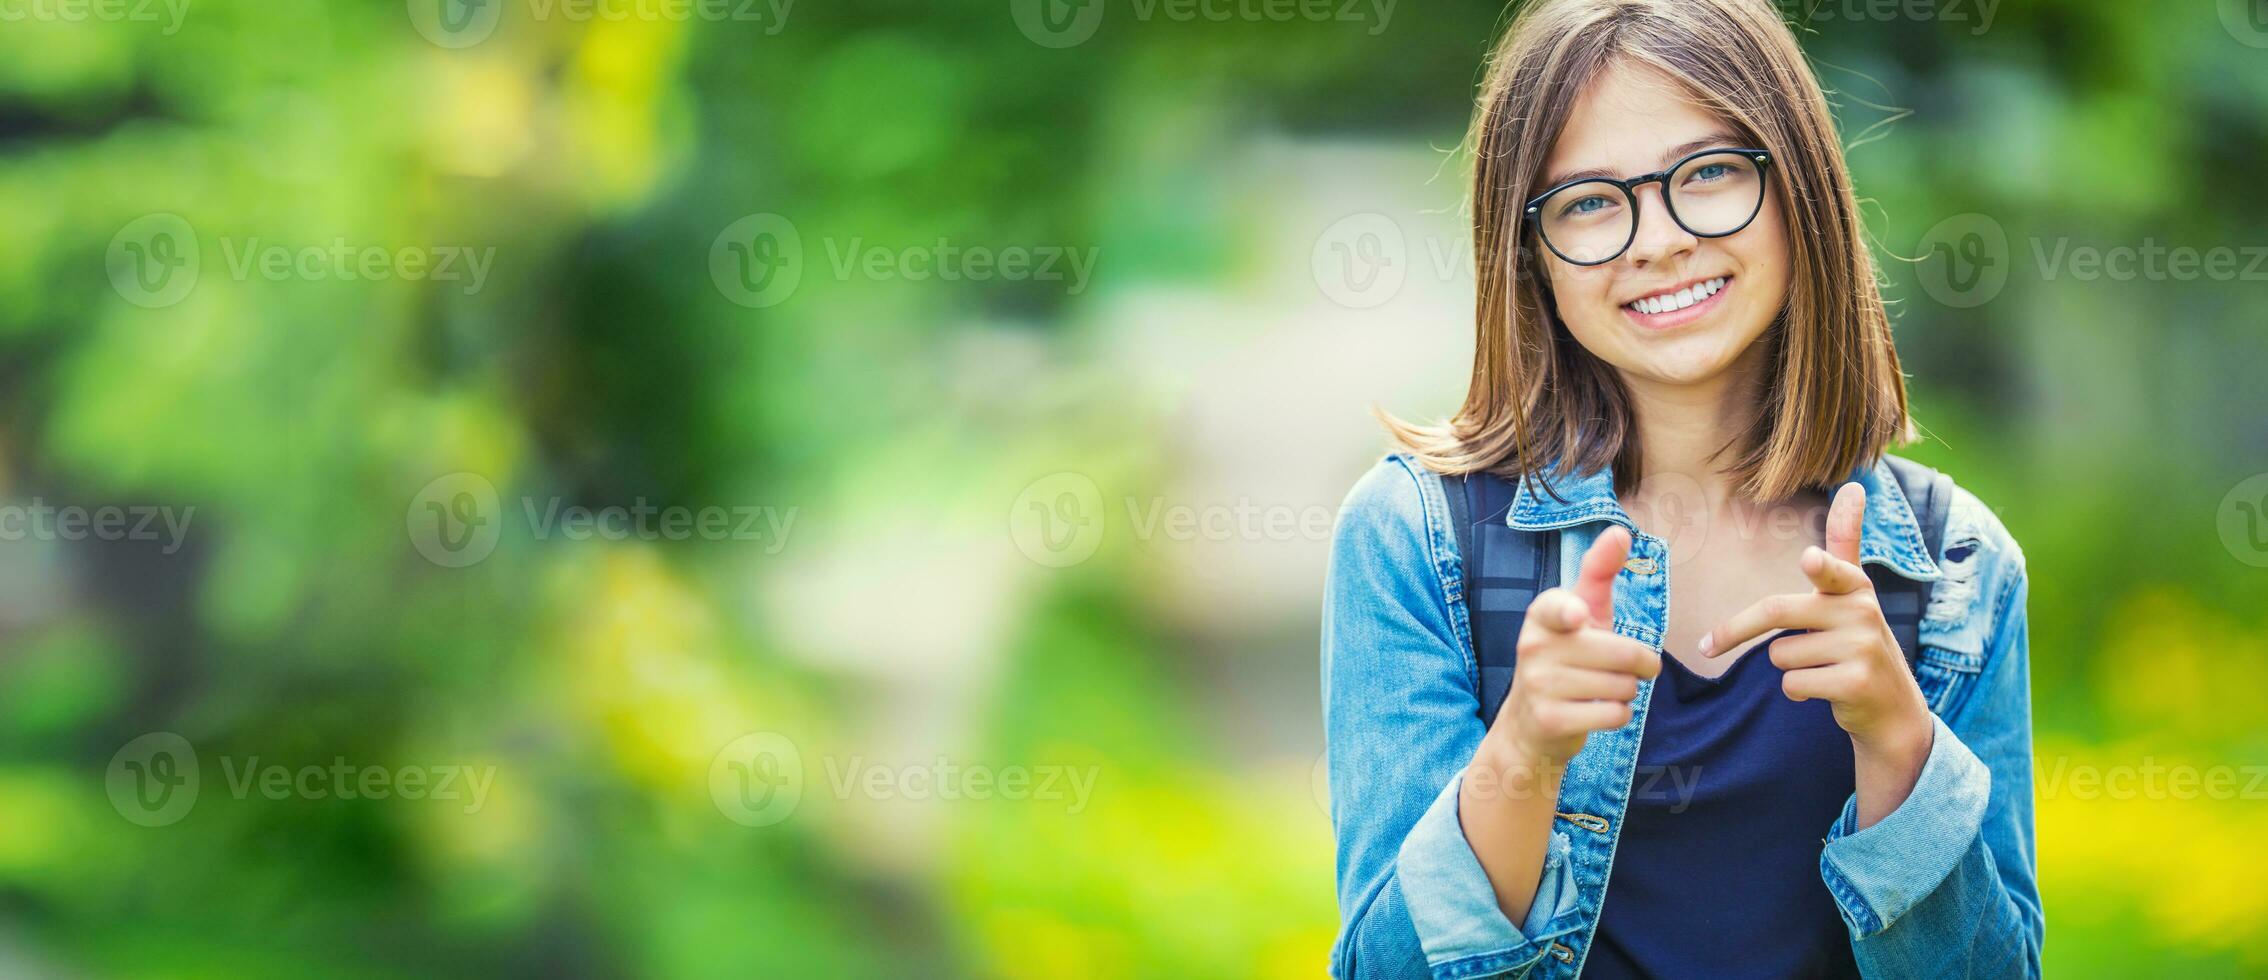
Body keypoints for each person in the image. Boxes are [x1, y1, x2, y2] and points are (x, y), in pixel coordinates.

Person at [1320, 0, 2041, 976]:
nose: (1656, 240)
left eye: (1706, 175)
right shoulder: (1416, 538)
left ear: (1800, 192)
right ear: (1527, 253)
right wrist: (1521, 760)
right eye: (1587, 201)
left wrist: (1899, 745)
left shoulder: (1957, 567)